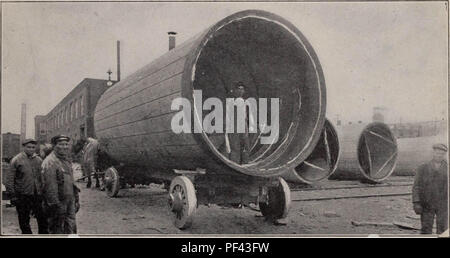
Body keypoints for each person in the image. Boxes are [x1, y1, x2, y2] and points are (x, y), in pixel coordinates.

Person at [4, 138, 48, 234]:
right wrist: (13, 195)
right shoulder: (16, 160)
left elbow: (43, 177)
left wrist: (43, 192)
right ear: (23, 147)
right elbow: (9, 179)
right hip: (23, 195)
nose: (31, 149)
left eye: (33, 147)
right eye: (28, 147)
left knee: (43, 219)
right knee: (24, 221)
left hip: (37, 195)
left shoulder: (38, 160)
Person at [41, 135, 80, 234]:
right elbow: (50, 187)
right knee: (57, 230)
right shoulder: (50, 162)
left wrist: (76, 198)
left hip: (69, 200)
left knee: (71, 227)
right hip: (58, 203)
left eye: (66, 144)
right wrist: (55, 205)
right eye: (61, 144)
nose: (64, 147)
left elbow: (71, 182)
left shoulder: (66, 160)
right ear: (54, 146)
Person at [412, 143, 449, 234]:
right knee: (426, 228)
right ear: (433, 153)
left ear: (444, 155)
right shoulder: (423, 168)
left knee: (443, 229)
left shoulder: (448, 168)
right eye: (437, 153)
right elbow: (416, 186)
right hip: (427, 204)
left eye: (442, 154)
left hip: (443, 204)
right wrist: (416, 202)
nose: (439, 155)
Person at [224, 81, 254, 164]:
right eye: (238, 89)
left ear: (244, 91)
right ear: (235, 90)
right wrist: (227, 126)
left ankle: (244, 162)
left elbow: (249, 115)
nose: (240, 91)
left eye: (242, 89)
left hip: (243, 125)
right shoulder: (230, 102)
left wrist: (251, 126)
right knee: (235, 145)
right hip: (234, 126)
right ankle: (234, 163)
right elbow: (227, 115)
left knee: (246, 145)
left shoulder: (246, 102)